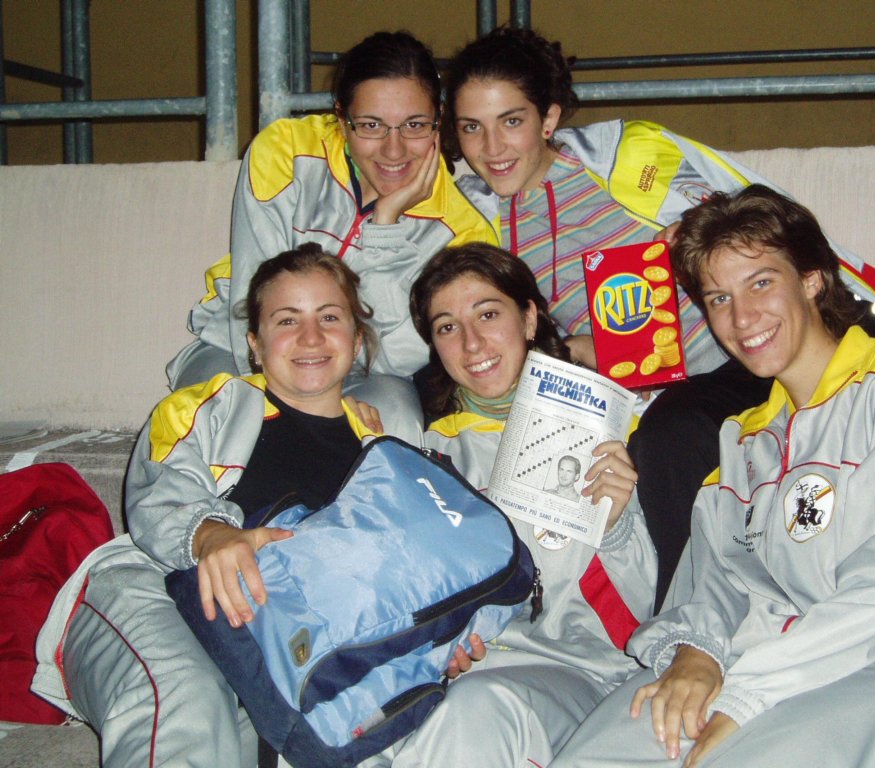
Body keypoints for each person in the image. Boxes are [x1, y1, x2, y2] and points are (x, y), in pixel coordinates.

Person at [443, 25, 875, 608]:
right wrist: (580, 349)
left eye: (511, 120)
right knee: (666, 440)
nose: (492, 147)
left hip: (772, 330)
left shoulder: (624, 157)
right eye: (471, 127)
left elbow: (761, 228)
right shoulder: (474, 220)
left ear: (548, 117)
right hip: (696, 383)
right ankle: (685, 624)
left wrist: (698, 232)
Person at [548, 185, 875, 768]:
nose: (741, 318)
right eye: (719, 298)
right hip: (754, 660)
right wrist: (696, 652)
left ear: (812, 279)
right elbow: (715, 578)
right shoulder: (743, 436)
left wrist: (747, 695)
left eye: (761, 282)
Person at [33, 245, 382, 768]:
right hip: (157, 589)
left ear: (356, 339)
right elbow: (161, 493)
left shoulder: (383, 452)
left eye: (329, 317)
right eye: (287, 320)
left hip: (280, 641)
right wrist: (214, 534)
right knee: (189, 699)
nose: (311, 337)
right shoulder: (207, 406)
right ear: (255, 345)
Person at [361, 243, 656, 767]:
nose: (471, 343)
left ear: (529, 318)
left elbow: (640, 620)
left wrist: (615, 528)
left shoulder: (620, 428)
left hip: (576, 669)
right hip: (452, 676)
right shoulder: (424, 454)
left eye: (488, 314)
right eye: (447, 327)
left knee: (476, 709)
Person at [166, 31, 492, 441]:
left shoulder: (463, 232)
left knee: (395, 424)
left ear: (438, 118)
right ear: (341, 117)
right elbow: (252, 299)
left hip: (360, 375)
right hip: (246, 355)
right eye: (371, 125)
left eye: (414, 125)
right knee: (209, 415)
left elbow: (396, 356)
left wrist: (385, 226)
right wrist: (293, 409)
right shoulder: (286, 152)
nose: (394, 151)